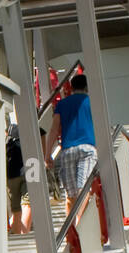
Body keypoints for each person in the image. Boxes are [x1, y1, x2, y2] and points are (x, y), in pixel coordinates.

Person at [46, 72, 98, 214]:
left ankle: (71, 230)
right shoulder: (92, 102)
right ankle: (79, 224)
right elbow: (99, 126)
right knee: (84, 189)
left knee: (71, 195)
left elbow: (54, 129)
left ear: (72, 87)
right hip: (87, 148)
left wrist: (47, 155)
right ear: (87, 87)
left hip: (67, 150)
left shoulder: (62, 104)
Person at [6, 122, 29, 235]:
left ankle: (17, 235)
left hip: (11, 175)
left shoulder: (8, 140)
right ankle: (24, 234)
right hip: (28, 171)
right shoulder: (35, 130)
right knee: (28, 203)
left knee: (15, 208)